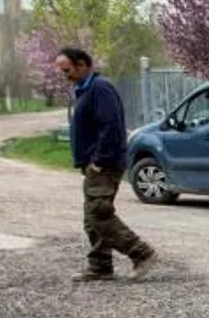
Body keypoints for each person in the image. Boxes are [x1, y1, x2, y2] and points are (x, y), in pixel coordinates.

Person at [55, 47, 159, 282]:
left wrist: (99, 162)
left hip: (105, 165)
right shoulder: (85, 89)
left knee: (99, 215)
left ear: (82, 65)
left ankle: (142, 253)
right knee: (91, 218)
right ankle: (100, 266)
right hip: (95, 165)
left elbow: (111, 128)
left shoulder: (100, 89)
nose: (65, 76)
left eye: (67, 70)